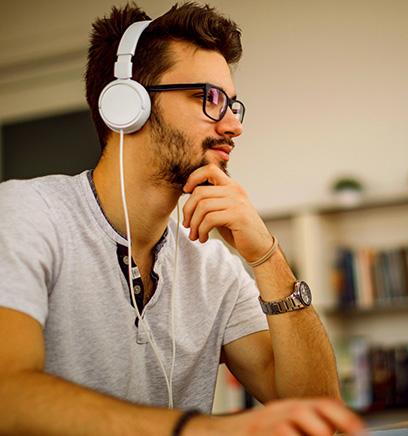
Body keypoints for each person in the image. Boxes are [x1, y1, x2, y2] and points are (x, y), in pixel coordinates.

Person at [0, 3, 364, 435]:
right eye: (208, 98)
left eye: (232, 105)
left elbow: (317, 412)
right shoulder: (25, 213)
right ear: (127, 104)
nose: (233, 125)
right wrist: (206, 430)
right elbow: (9, 394)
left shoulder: (212, 264)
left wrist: (267, 257)